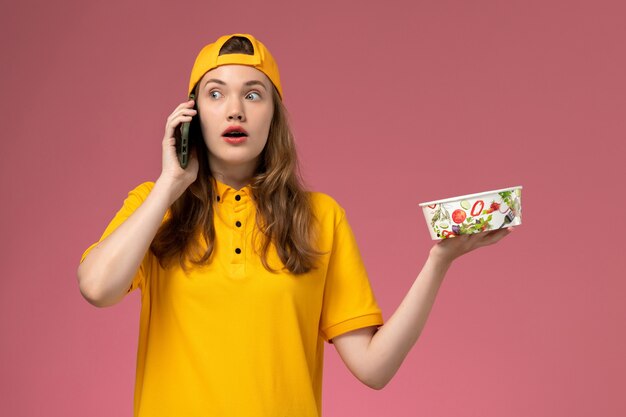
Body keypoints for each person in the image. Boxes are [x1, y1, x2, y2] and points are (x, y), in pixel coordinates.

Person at [77, 33, 513, 417]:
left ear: (274, 115)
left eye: (252, 95)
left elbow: (374, 368)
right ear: (191, 116)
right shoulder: (155, 206)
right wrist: (170, 183)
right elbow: (97, 287)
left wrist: (440, 261)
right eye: (215, 94)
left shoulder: (320, 218)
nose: (234, 110)